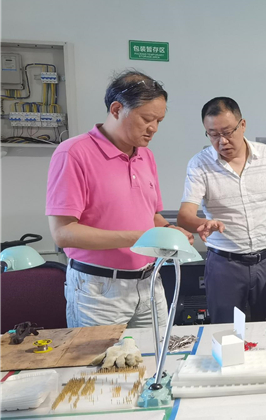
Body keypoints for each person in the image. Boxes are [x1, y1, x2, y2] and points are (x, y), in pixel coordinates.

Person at [46, 70, 193, 328]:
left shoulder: (146, 156)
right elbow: (63, 233)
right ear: (116, 109)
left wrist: (169, 231)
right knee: (102, 356)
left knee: (157, 352)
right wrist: (141, 238)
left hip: (149, 283)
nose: (154, 129)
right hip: (99, 291)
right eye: (147, 119)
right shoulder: (74, 153)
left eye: (159, 121)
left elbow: (151, 215)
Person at [177, 97, 266, 323]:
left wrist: (262, 234)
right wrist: (203, 223)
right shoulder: (199, 164)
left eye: (228, 132)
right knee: (224, 331)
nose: (222, 141)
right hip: (225, 265)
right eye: (213, 134)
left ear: (243, 125)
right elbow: (184, 215)